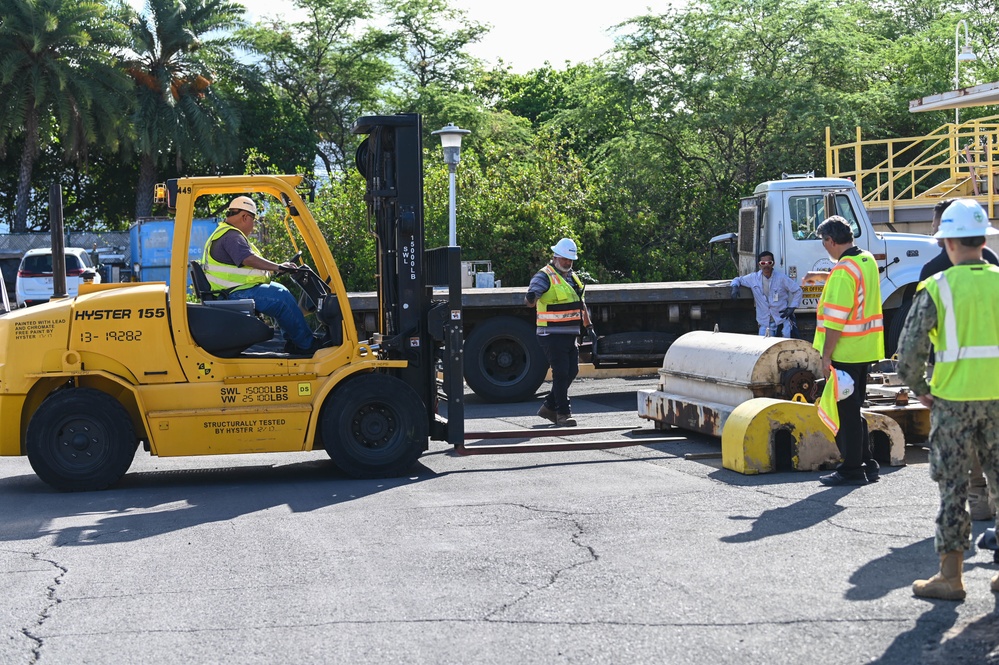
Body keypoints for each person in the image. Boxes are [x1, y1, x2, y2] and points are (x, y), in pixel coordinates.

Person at [896, 198, 999, 601]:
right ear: (981, 240)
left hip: (953, 403)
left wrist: (921, 388)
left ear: (949, 243)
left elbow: (908, 353)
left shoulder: (937, 287)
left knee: (953, 488)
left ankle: (951, 577)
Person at [920, 198, 998, 522]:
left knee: (955, 459)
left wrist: (920, 384)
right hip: (992, 379)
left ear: (944, 235)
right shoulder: (993, 266)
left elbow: (915, 340)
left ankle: (952, 562)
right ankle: (984, 505)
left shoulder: (932, 275)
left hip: (950, 377)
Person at [812, 216, 884, 486]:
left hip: (845, 351)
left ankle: (852, 469)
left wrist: (826, 355)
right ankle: (867, 463)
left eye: (824, 243)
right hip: (865, 349)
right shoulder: (866, 260)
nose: (825, 248)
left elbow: (835, 319)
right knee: (855, 409)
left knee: (847, 414)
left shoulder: (843, 270)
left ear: (831, 241)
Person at [203, 196, 318, 355]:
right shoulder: (231, 236)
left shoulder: (225, 233)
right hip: (234, 294)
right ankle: (307, 345)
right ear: (244, 217)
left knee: (279, 292)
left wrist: (275, 268)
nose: (254, 226)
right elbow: (248, 259)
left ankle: (294, 342)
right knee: (280, 298)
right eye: (253, 220)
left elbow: (244, 267)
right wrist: (277, 267)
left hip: (232, 291)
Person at [525, 238, 595, 427]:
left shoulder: (573, 278)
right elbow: (531, 299)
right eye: (564, 259)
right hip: (551, 334)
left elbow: (581, 305)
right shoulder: (544, 276)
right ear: (555, 257)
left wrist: (589, 327)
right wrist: (531, 298)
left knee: (572, 370)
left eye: (570, 260)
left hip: (570, 333)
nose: (567, 262)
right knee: (561, 373)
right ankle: (563, 414)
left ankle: (549, 406)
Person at [730, 250, 802, 337]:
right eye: (763, 263)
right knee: (764, 347)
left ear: (773, 263)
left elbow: (798, 290)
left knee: (785, 346)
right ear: (759, 264)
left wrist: (792, 307)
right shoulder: (753, 278)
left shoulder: (781, 278)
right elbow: (738, 279)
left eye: (769, 262)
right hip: (764, 323)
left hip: (781, 320)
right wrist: (734, 287)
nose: (766, 265)